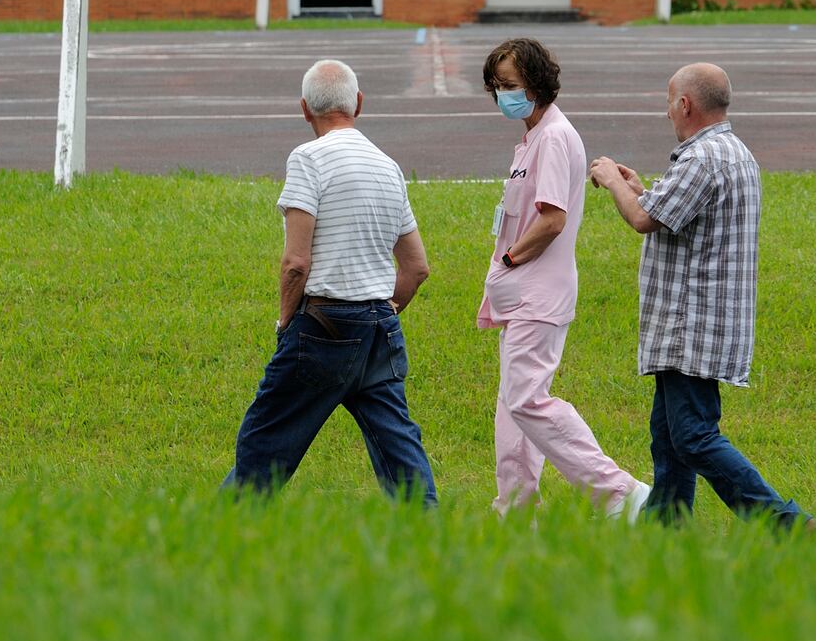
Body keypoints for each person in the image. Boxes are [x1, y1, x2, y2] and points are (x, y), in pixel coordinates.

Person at [589, 62, 816, 530]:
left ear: (685, 104)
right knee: (668, 436)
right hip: (712, 321)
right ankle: (666, 530)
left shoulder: (700, 159)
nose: (667, 112)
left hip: (689, 324)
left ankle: (785, 523)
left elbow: (643, 221)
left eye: (669, 102)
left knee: (693, 436)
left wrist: (613, 181)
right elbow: (674, 213)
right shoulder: (734, 153)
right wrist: (640, 189)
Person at [225, 59, 437, 505]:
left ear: (305, 110)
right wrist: (384, 311)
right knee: (400, 450)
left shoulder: (308, 158)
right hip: (381, 328)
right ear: (359, 103)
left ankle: (218, 534)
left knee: (264, 442)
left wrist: (286, 323)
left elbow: (296, 263)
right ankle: (429, 537)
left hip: (322, 327)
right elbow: (417, 267)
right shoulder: (388, 166)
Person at [479, 37, 650, 521]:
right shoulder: (533, 137)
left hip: (537, 293)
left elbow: (551, 219)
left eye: (510, 85)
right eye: (497, 87)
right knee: (513, 409)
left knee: (528, 399)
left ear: (536, 83)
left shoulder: (554, 137)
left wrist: (510, 259)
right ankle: (515, 512)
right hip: (521, 296)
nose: (502, 96)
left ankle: (620, 494)